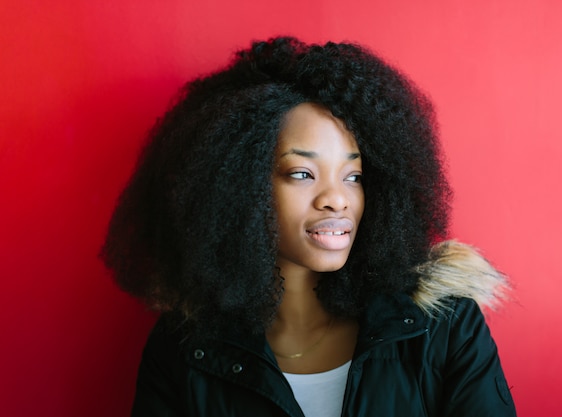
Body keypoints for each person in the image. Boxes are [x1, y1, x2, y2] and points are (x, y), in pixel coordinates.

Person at [101, 36, 516, 416]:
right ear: (240, 187)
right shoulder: (185, 349)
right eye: (302, 173)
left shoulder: (444, 327)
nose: (336, 198)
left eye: (354, 177)